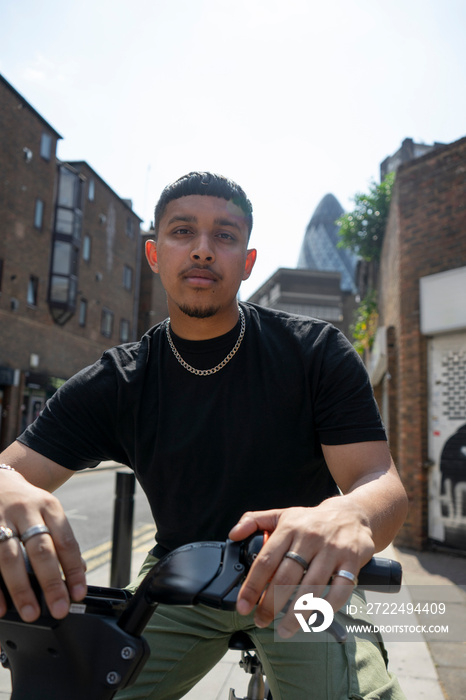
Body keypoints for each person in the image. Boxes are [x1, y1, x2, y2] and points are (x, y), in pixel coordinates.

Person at [0, 171, 408, 699]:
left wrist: (348, 514)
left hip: (300, 577)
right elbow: (12, 470)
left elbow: (380, 480)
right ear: (153, 254)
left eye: (225, 235)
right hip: (181, 575)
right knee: (83, 689)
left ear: (247, 260)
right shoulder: (118, 380)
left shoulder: (316, 353)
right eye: (182, 231)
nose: (202, 250)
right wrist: (5, 486)